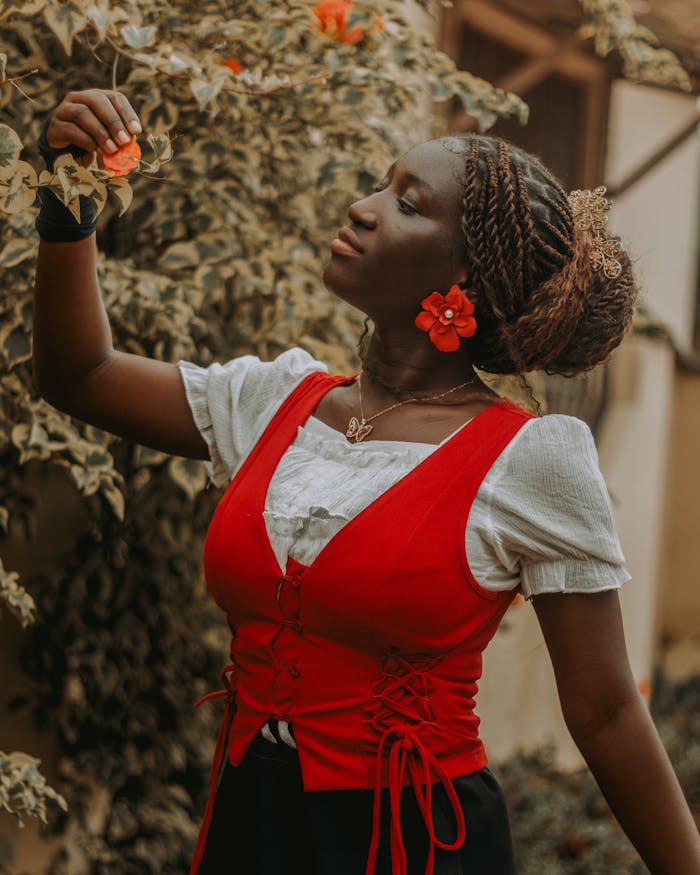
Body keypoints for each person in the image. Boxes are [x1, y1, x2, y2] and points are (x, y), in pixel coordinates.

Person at [31, 89, 700, 875]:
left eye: (407, 204)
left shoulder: (530, 460)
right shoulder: (276, 401)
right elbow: (79, 374)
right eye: (382, 185)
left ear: (466, 279)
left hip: (413, 841)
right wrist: (69, 205)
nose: (362, 207)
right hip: (251, 821)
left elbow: (608, 709)